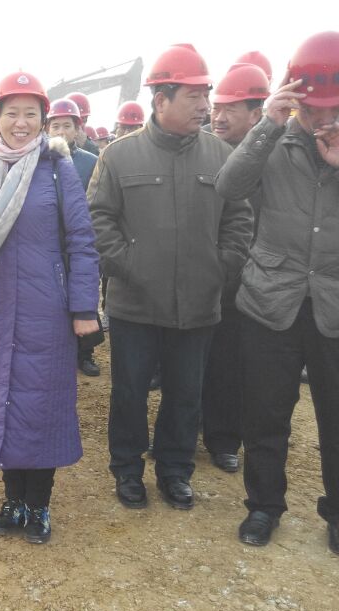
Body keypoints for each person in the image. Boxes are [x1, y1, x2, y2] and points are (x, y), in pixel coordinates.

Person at [88, 44, 253, 511]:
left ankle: (175, 471)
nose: (206, 106)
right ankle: (127, 470)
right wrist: (130, 265)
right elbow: (98, 219)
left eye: (206, 95)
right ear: (161, 100)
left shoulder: (221, 155)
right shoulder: (119, 156)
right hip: (135, 304)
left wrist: (220, 267)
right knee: (129, 393)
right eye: (194, 96)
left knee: (185, 394)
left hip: (198, 303)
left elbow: (239, 219)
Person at [0, 71, 101, 544]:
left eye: (30, 113)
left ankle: (39, 504)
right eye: (11, 113)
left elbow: (81, 241)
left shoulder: (58, 171)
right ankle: (12, 500)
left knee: (42, 407)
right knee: (1, 405)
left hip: (47, 313)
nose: (21, 122)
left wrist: (83, 309)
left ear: (43, 119)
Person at [216, 32, 339, 554]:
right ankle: (264, 506)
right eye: (313, 108)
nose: (323, 118)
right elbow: (229, 186)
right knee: (266, 414)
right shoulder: (275, 139)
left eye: (333, 108)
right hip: (270, 302)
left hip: (333, 307)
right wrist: (268, 122)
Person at [200, 63, 269, 473]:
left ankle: (224, 438)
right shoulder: (202, 149)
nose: (219, 116)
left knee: (231, 362)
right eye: (216, 107)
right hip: (207, 272)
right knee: (192, 359)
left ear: (256, 114)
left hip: (251, 279)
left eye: (231, 109)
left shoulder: (273, 156)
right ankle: (182, 429)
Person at [47, 99, 101, 378]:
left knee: (83, 294)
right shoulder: (40, 162)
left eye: (66, 125)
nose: (60, 131)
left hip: (79, 240)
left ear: (78, 128)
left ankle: (86, 353)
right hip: (50, 241)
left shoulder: (90, 162)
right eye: (55, 126)